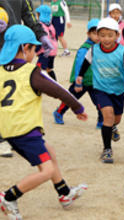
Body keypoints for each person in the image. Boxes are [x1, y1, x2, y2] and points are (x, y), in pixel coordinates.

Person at [0, 25, 88, 220]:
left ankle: (64, 193)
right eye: (34, 48)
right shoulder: (31, 72)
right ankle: (9, 196)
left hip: (9, 130)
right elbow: (59, 90)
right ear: (25, 48)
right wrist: (77, 107)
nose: (36, 53)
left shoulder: (1, 71)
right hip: (25, 131)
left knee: (50, 152)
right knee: (46, 170)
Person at [75, 18, 124, 163]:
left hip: (118, 91)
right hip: (101, 89)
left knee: (116, 118)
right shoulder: (94, 50)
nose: (106, 39)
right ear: (98, 35)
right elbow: (86, 63)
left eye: (110, 35)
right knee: (108, 116)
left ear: (117, 35)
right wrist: (80, 76)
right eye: (102, 35)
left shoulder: (123, 52)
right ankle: (107, 150)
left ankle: (114, 127)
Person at [0, 0, 54, 158]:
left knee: (12, 95)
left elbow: (29, 16)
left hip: (14, 50)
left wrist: (41, 35)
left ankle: (10, 135)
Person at [53, 18, 105, 131]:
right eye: (94, 33)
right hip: (81, 82)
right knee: (70, 99)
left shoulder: (100, 48)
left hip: (94, 82)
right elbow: (79, 66)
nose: (97, 36)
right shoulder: (85, 49)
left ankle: (101, 121)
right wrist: (78, 82)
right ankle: (58, 112)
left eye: (100, 34)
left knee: (101, 102)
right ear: (88, 34)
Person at [35, 5, 58, 81]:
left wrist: (36, 50)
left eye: (38, 14)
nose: (36, 16)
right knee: (49, 69)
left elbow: (40, 39)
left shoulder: (40, 26)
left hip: (45, 52)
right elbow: (56, 37)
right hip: (53, 51)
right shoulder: (51, 25)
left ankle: (39, 87)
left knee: (39, 69)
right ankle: (56, 83)